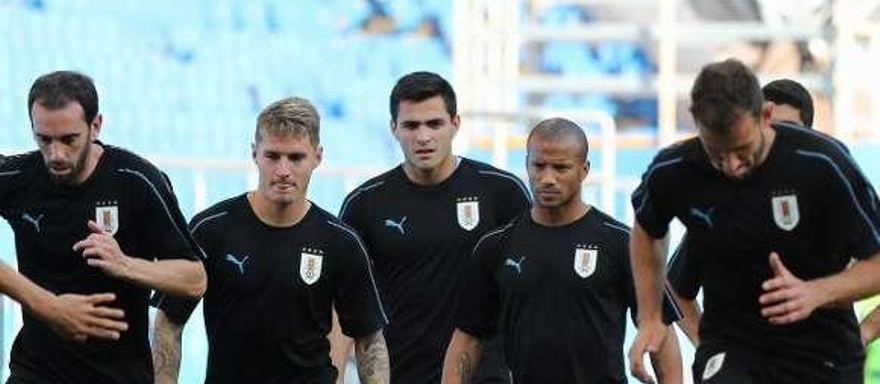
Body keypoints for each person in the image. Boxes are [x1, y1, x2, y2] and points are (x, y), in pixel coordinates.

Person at [628, 59, 880, 384]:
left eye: (741, 150)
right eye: (716, 153)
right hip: (733, 346)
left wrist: (815, 292)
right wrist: (650, 317)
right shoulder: (676, 169)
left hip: (821, 350)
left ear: (766, 115)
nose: (731, 165)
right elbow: (647, 228)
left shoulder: (822, 163)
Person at [151, 97, 389, 384]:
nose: (283, 170)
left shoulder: (341, 241)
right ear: (254, 153)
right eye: (273, 156)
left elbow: (369, 341)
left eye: (296, 157)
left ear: (318, 156)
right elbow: (168, 322)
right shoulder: (210, 229)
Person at [0, 70, 206, 383]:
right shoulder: (17, 178)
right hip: (36, 373)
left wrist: (126, 265)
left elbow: (194, 278)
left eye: (69, 140)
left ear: (95, 126)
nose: (56, 153)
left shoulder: (137, 180)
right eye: (44, 139)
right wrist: (47, 305)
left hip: (118, 376)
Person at [441, 118, 683, 384]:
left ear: (584, 169)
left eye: (561, 168)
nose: (547, 179)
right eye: (539, 166)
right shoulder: (496, 246)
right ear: (526, 165)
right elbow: (467, 339)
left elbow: (662, 331)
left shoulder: (620, 243)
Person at [334, 71, 531, 384]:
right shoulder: (364, 205)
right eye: (411, 125)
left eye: (434, 124)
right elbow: (341, 307)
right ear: (393, 128)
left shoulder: (502, 192)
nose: (423, 136)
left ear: (455, 123)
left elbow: (534, 291)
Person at [667, 78, 816, 344]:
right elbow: (675, 288)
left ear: (811, 135)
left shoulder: (833, 197)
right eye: (769, 127)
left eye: (790, 129)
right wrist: (711, 348)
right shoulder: (721, 208)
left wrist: (864, 332)